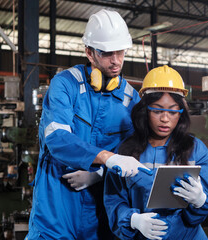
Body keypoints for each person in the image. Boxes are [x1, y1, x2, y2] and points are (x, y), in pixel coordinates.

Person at [25, 9, 152, 240]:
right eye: (107, 53)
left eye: (121, 52)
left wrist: (102, 173)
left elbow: (136, 151)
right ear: (89, 52)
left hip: (101, 206)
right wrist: (107, 158)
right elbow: (57, 138)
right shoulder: (65, 85)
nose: (116, 60)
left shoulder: (131, 99)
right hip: (57, 202)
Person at [104, 65, 208, 240]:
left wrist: (200, 201)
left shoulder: (196, 150)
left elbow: (197, 217)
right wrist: (133, 220)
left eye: (172, 111)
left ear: (181, 113)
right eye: (157, 110)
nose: (165, 118)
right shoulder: (125, 152)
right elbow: (114, 201)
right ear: (145, 111)